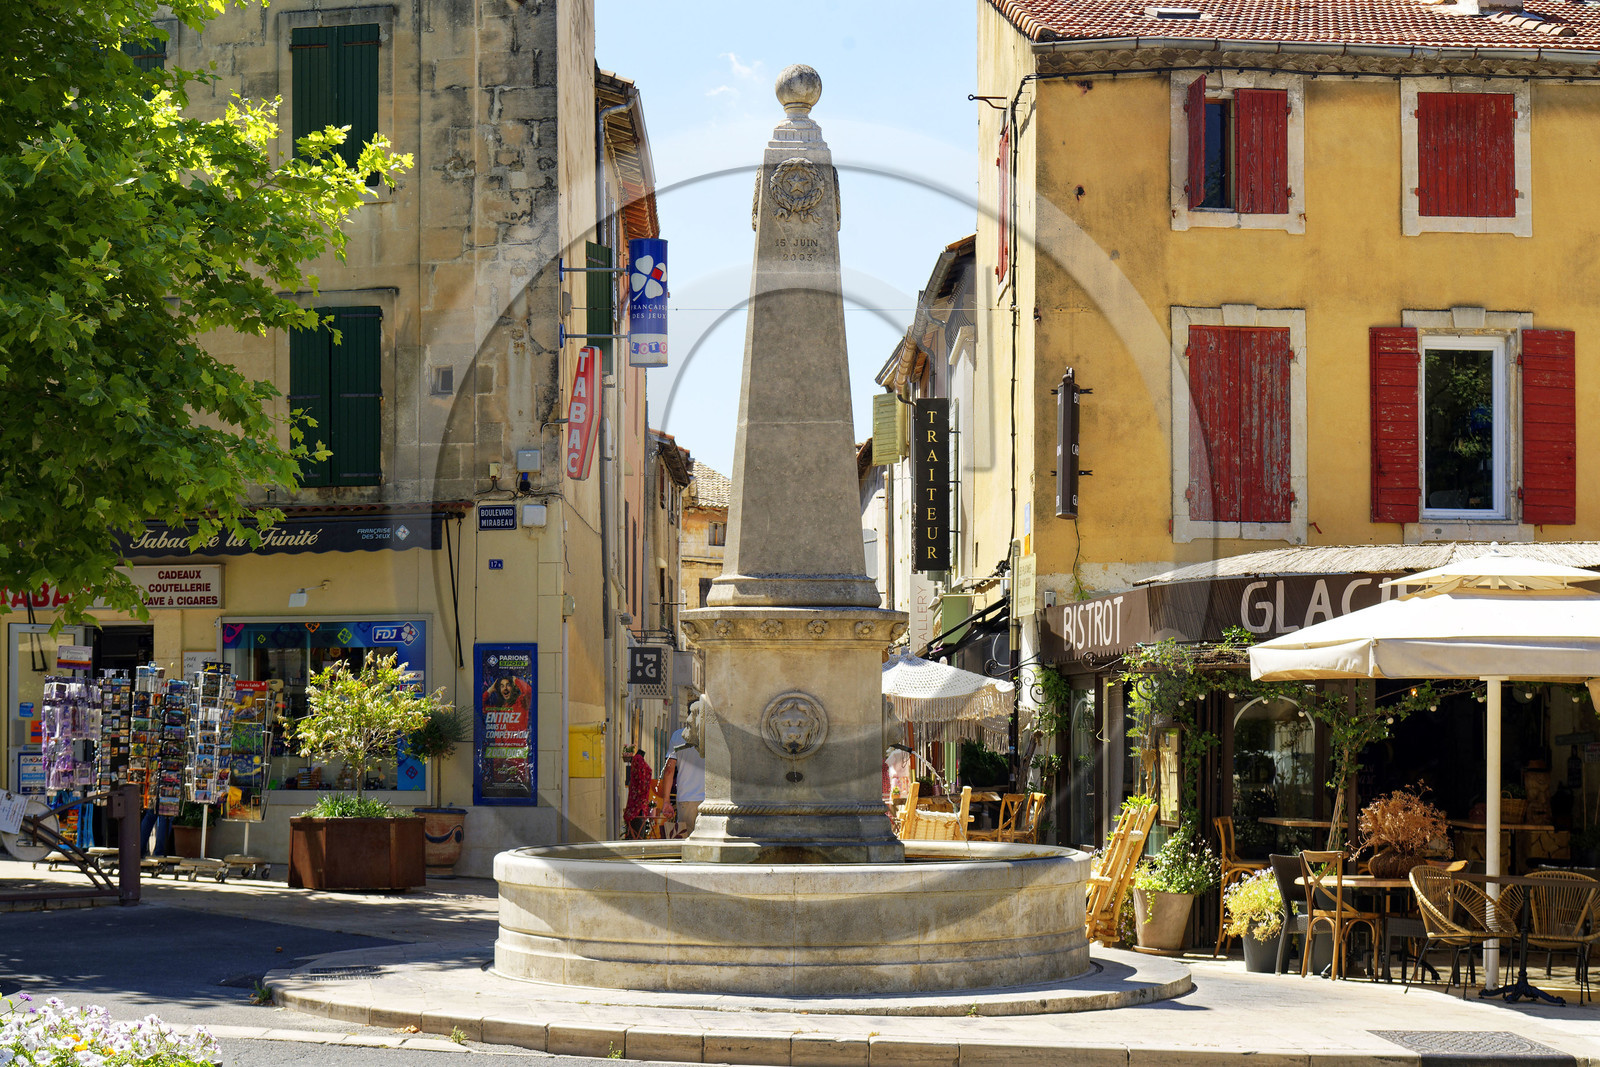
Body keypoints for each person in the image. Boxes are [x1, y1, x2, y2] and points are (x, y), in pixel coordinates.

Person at [660, 726, 704, 837]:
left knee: (686, 844)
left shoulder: (678, 736)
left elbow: (669, 770)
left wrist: (666, 801)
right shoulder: (711, 736)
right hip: (709, 800)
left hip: (686, 799)